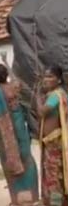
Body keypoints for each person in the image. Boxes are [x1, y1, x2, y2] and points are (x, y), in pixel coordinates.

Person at [0, 63, 39, 205]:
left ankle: (15, 199)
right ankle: (33, 196)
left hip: (4, 133)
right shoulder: (14, 87)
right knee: (26, 158)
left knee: (9, 161)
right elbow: (18, 81)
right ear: (7, 75)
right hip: (19, 125)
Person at [36, 65, 68, 206]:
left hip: (54, 141)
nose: (46, 80)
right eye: (45, 76)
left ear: (59, 80)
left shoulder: (56, 96)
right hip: (50, 141)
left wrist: (37, 95)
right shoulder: (54, 95)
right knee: (53, 172)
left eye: (50, 77)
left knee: (54, 174)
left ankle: (56, 203)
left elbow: (42, 111)